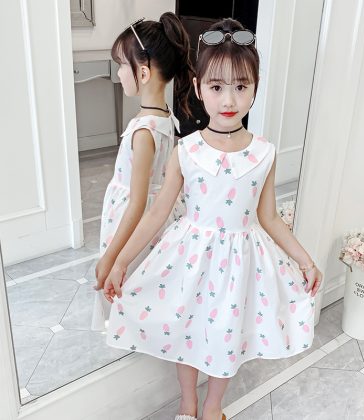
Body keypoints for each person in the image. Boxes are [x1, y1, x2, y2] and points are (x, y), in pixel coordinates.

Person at [103, 18, 323, 420]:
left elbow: (270, 217)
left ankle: (213, 408)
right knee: (185, 330)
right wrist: (120, 261)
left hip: (240, 265)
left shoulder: (264, 152)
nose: (229, 99)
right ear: (199, 86)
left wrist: (305, 260)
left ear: (255, 87)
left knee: (226, 336)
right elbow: (156, 212)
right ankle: (188, 405)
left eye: (241, 86)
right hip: (190, 259)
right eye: (217, 87)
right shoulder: (186, 150)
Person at [91, 12, 193, 331]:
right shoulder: (166, 118)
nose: (119, 72)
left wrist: (110, 256)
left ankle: (133, 331)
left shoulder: (143, 131)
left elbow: (137, 203)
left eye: (123, 65)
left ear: (144, 72)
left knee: (131, 281)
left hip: (137, 219)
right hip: (159, 214)